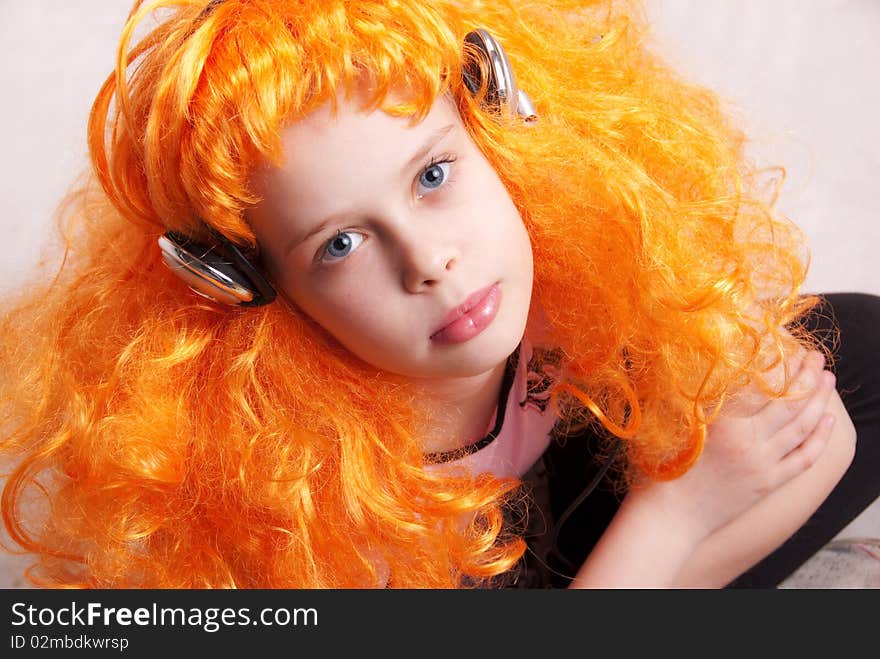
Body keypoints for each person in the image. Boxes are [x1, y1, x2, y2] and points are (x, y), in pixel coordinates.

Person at [0, 0, 877, 589]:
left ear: (499, 129)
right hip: (437, 561)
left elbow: (824, 438)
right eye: (339, 243)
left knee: (859, 350)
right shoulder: (304, 499)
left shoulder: (568, 271)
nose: (429, 261)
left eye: (432, 174)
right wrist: (673, 521)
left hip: (562, 502)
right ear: (250, 289)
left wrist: (739, 447)